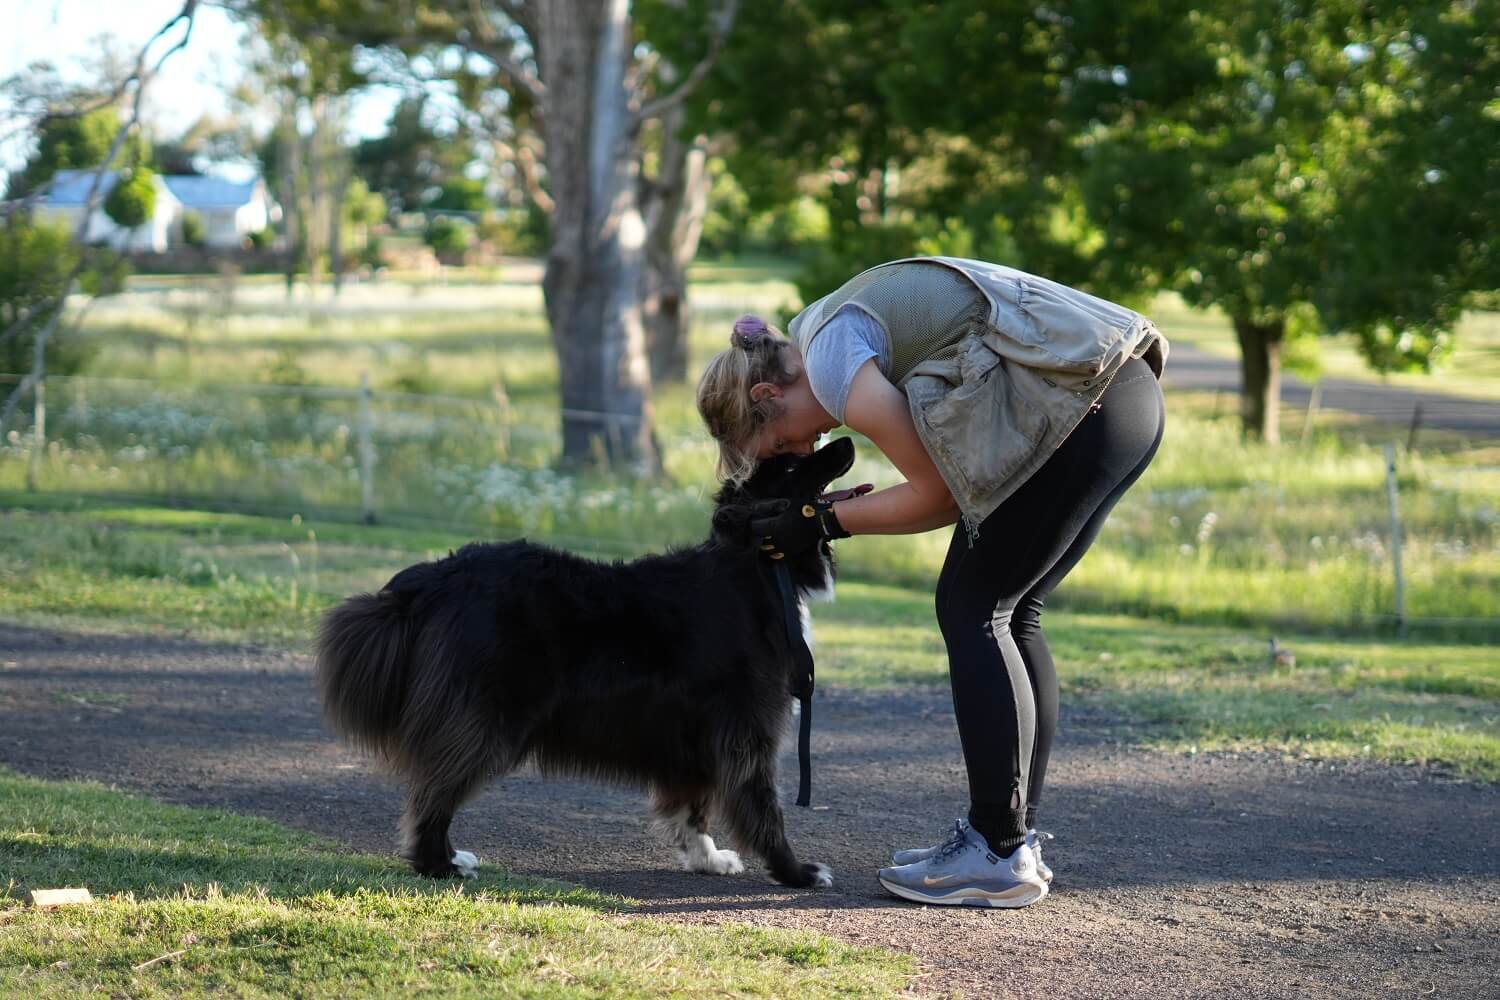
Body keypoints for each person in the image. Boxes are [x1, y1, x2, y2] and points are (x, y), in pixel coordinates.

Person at [695, 256, 1167, 908]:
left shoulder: (832, 363)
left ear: (768, 397)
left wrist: (819, 520)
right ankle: (1006, 839)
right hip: (1120, 394)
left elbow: (938, 496)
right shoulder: (820, 330)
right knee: (1009, 610)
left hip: (1090, 405)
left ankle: (996, 850)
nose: (803, 455)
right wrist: (826, 517)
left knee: (976, 606)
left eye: (779, 447)